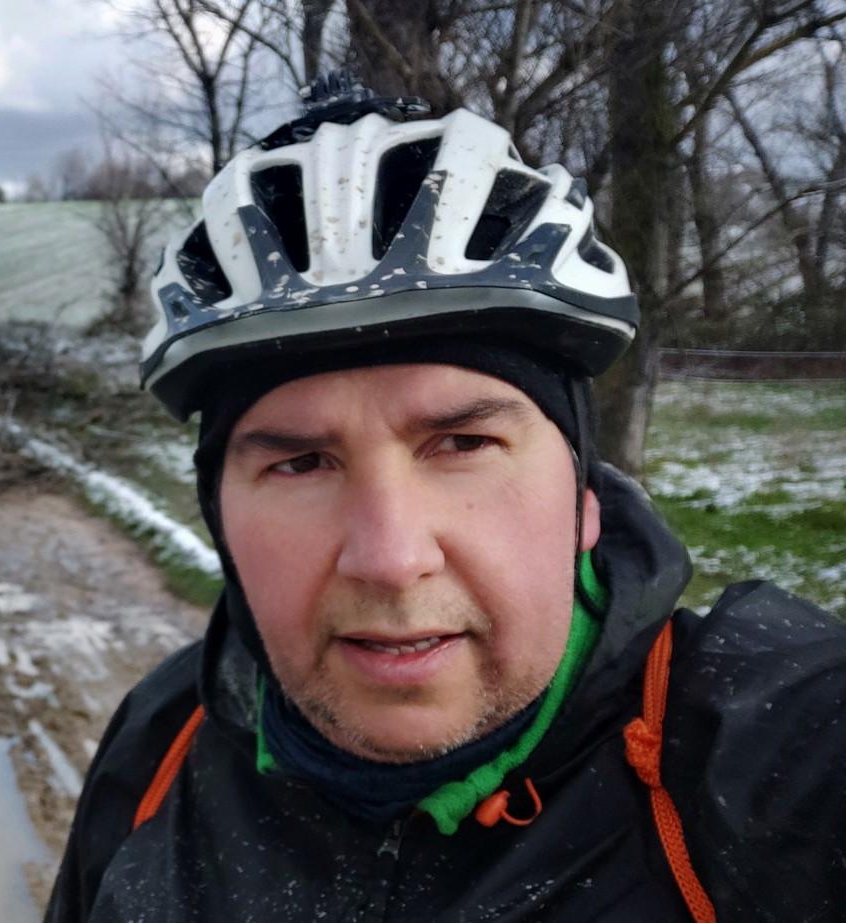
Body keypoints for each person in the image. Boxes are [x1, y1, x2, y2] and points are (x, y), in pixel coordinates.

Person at [45, 73, 846, 923]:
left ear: (584, 496)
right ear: (221, 521)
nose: (391, 560)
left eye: (462, 445)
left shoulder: (784, 751)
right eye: (302, 463)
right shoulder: (161, 741)